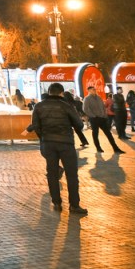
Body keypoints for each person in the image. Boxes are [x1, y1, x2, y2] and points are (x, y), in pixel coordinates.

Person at [27, 82, 88, 214]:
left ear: (49, 92)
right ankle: (74, 205)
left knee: (52, 174)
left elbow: (35, 125)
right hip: (66, 143)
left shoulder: (39, 106)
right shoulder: (66, 106)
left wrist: (43, 137)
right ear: (61, 93)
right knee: (71, 174)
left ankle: (56, 203)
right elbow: (79, 125)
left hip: (48, 143)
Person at [82, 85, 124, 153]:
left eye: (94, 89)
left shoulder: (99, 97)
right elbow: (85, 109)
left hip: (102, 118)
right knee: (95, 134)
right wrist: (93, 116)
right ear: (89, 91)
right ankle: (98, 148)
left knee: (108, 134)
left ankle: (115, 148)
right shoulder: (87, 99)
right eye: (93, 89)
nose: (94, 90)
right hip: (94, 119)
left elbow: (103, 107)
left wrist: (104, 115)